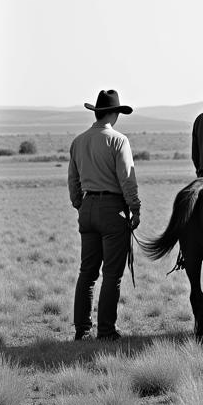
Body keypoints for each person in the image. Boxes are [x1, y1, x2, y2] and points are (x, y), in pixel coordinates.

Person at [67, 89, 141, 341]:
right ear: (114, 113)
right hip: (112, 209)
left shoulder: (78, 141)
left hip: (87, 208)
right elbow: (126, 178)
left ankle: (82, 329)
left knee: (87, 272)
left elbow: (72, 180)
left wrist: (80, 204)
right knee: (112, 274)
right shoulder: (119, 140)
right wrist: (135, 208)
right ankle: (107, 330)